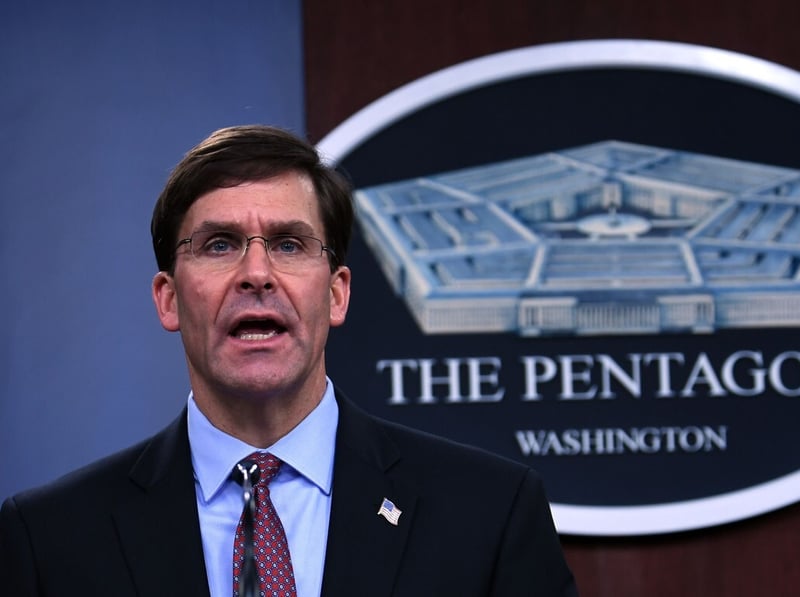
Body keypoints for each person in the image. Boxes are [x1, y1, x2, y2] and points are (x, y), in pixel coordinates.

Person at [0, 125, 578, 597]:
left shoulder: (488, 512)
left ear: (336, 294)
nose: (256, 274)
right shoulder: (50, 539)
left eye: (289, 244)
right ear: (169, 298)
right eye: (219, 244)